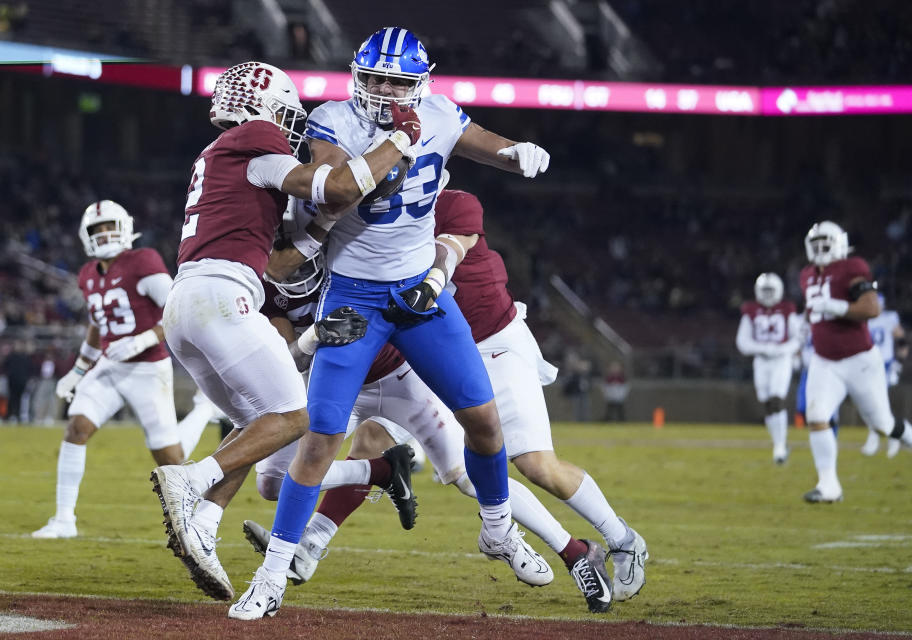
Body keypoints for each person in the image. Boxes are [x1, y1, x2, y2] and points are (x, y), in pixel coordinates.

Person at [229, 29, 552, 620]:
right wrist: (397, 141)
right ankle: (272, 575)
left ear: (420, 84)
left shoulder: (437, 112)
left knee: (483, 419)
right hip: (353, 297)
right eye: (372, 78)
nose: (380, 90)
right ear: (356, 76)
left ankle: (499, 527)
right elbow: (335, 192)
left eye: (394, 81)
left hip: (418, 292)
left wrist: (514, 151)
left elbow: (475, 140)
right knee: (323, 437)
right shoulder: (331, 119)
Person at [243, 189, 645, 614]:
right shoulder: (339, 231)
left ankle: (602, 545)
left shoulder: (447, 204)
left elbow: (445, 254)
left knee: (527, 464)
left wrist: (428, 281)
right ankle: (312, 542)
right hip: (406, 356)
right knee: (312, 464)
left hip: (484, 345)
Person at [147, 60, 421, 603]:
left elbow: (277, 265)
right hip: (222, 295)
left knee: (258, 423)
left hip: (190, 301)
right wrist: (398, 142)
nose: (291, 128)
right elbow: (337, 184)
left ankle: (203, 522)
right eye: (286, 114)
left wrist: (324, 226)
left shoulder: (223, 154)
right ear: (265, 107)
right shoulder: (257, 139)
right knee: (297, 415)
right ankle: (192, 479)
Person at [31, 200, 209, 539]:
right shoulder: (87, 274)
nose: (105, 234)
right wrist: (79, 370)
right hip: (110, 367)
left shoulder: (143, 260)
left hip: (147, 369)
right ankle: (64, 520)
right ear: (86, 236)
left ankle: (204, 410)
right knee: (76, 429)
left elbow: (177, 309)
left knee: (171, 458)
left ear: (126, 227)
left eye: (110, 226)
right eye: (98, 229)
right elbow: (98, 326)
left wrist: (144, 339)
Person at [799, 221, 912, 503]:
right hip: (824, 361)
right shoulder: (806, 275)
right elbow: (814, 312)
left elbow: (872, 308)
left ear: (838, 244)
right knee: (816, 416)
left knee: (883, 424)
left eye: (826, 243)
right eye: (816, 244)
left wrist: (837, 307)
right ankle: (829, 485)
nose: (820, 250)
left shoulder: (852, 267)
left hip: (859, 360)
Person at [735, 273, 800, 464]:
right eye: (765, 290)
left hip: (781, 360)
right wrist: (764, 349)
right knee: (766, 403)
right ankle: (779, 443)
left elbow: (797, 339)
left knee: (776, 399)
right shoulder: (751, 311)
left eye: (771, 290)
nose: (768, 294)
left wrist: (780, 349)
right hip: (761, 361)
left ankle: (779, 447)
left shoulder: (787, 309)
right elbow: (742, 341)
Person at [861, 293, 908, 457]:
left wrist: (898, 365)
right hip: (867, 364)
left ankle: (890, 437)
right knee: (869, 403)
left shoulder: (889, 318)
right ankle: (877, 436)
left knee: (880, 403)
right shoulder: (863, 319)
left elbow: (902, 343)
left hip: (885, 365)